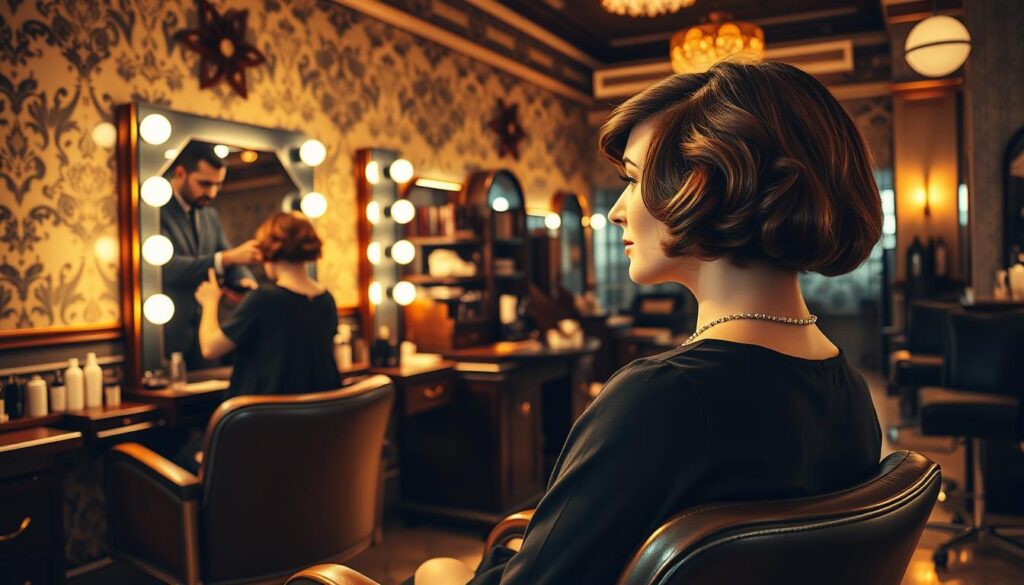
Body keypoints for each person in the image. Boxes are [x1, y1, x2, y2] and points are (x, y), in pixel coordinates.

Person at [411, 58, 883, 584]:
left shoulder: (663, 399)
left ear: (704, 187)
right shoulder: (850, 390)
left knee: (438, 568)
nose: (615, 211)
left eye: (633, 180)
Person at [194, 211, 341, 398]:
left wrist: (209, 302)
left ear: (268, 252)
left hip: (264, 419)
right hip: (313, 419)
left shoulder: (263, 299)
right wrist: (249, 305)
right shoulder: (326, 299)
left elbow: (210, 348)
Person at [161, 142, 261, 369]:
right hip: (167, 333)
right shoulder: (154, 209)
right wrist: (227, 258)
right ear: (180, 173)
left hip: (207, 331)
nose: (212, 193)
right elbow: (164, 267)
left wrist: (242, 280)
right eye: (205, 184)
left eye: (218, 185)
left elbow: (229, 256)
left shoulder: (210, 216)